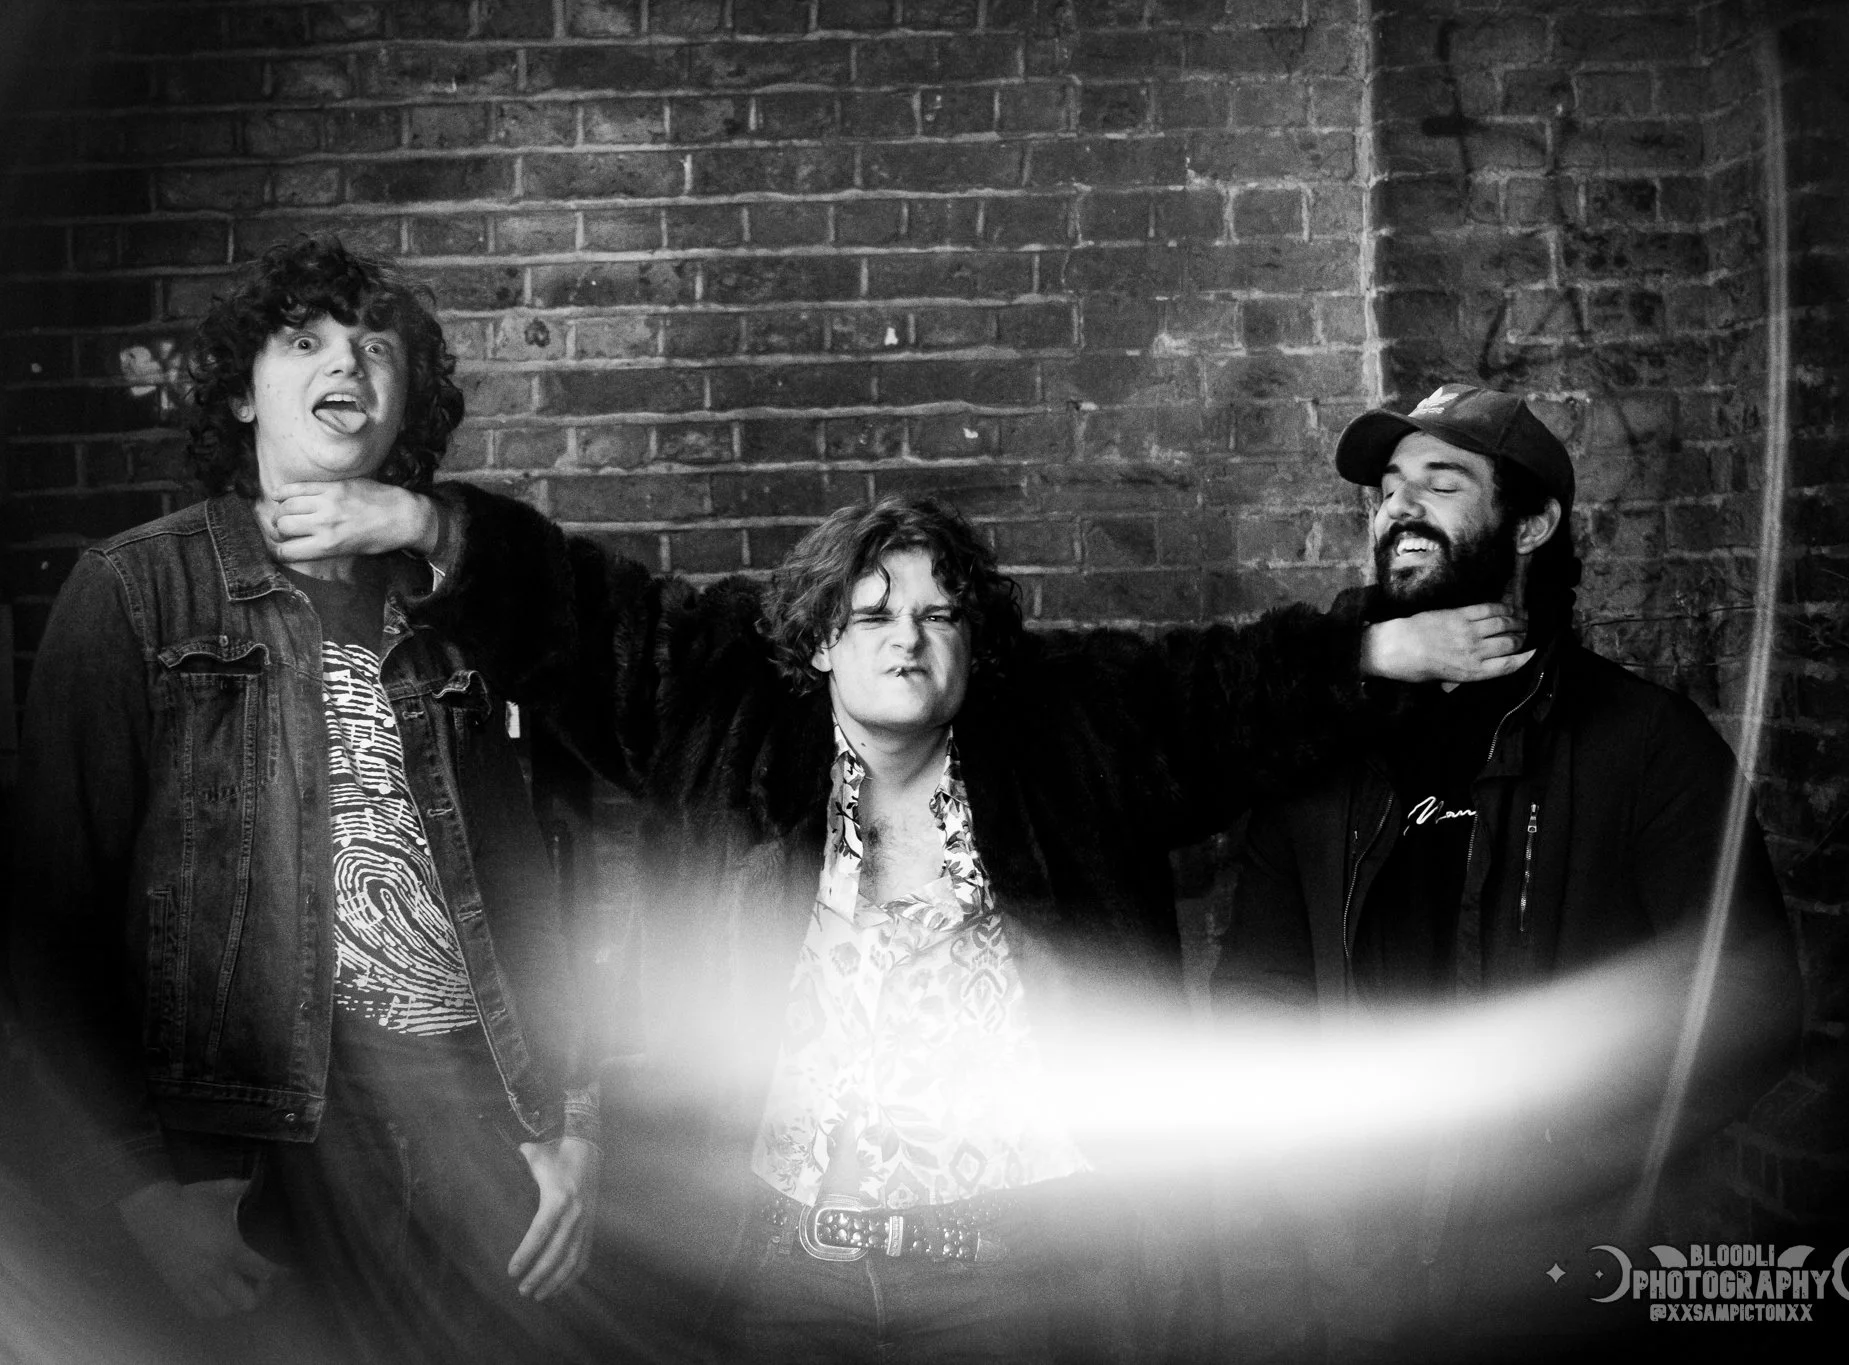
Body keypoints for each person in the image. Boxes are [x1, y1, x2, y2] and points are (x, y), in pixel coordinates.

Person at [259, 460, 1534, 1362]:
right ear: (816, 642)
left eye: (935, 616)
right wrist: (428, 524)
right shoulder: (724, 725)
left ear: (973, 646)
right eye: (869, 616)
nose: (905, 640)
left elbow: (1218, 689)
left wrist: (1380, 651)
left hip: (1021, 1280)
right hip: (782, 1274)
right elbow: (585, 614)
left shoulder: (1063, 740)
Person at [10, 237, 601, 1364]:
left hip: (479, 1143)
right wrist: (133, 1188)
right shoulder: (137, 589)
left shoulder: (458, 604)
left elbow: (540, 890)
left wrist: (573, 1125)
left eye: (377, 346)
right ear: (242, 392)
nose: (351, 361)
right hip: (257, 1160)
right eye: (308, 340)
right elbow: (54, 922)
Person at [1212, 382, 1803, 1358]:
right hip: (1354, 1263)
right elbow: (1258, 985)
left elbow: (1746, 999)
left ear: (1530, 525)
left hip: (1566, 1269)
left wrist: (1569, 1171)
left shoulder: (1643, 743)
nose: (1397, 507)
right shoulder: (1319, 751)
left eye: (1438, 483)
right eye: (1388, 489)